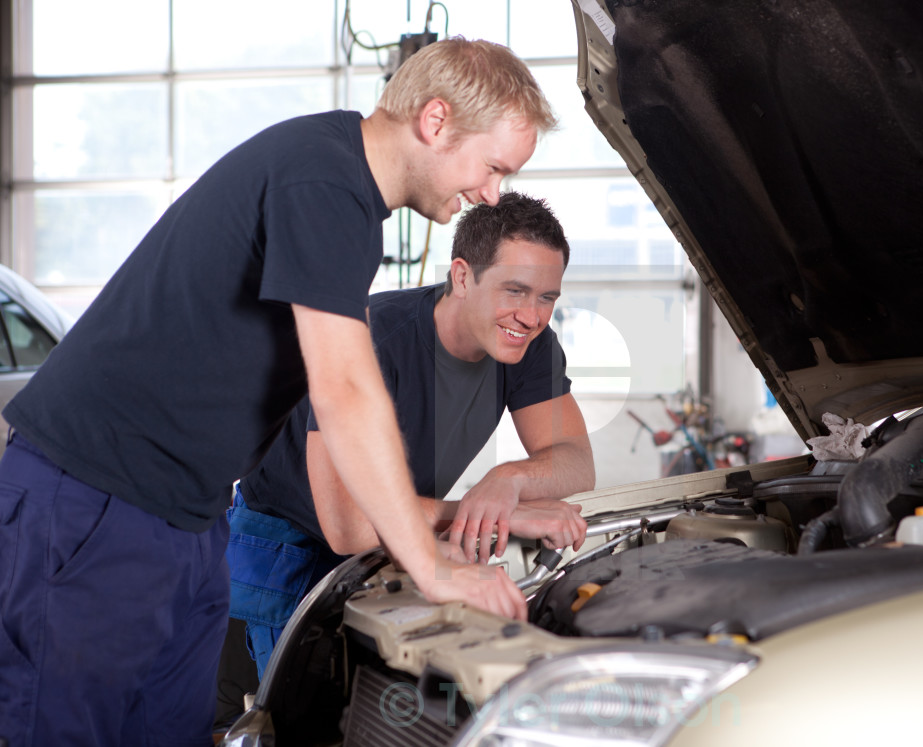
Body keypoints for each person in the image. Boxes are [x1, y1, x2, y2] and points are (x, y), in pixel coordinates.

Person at [0, 37, 555, 747]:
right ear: (436, 121)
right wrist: (432, 567)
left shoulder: (347, 200)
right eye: (494, 167)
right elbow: (345, 388)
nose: (490, 193)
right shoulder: (322, 177)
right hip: (94, 504)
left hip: (188, 515)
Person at [226, 191, 594, 682]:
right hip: (287, 549)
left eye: (547, 297)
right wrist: (486, 512)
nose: (532, 316)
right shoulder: (376, 341)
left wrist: (508, 481)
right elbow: (347, 527)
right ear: (463, 276)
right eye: (515, 290)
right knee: (299, 720)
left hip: (392, 541)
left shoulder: (529, 346)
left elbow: (575, 462)